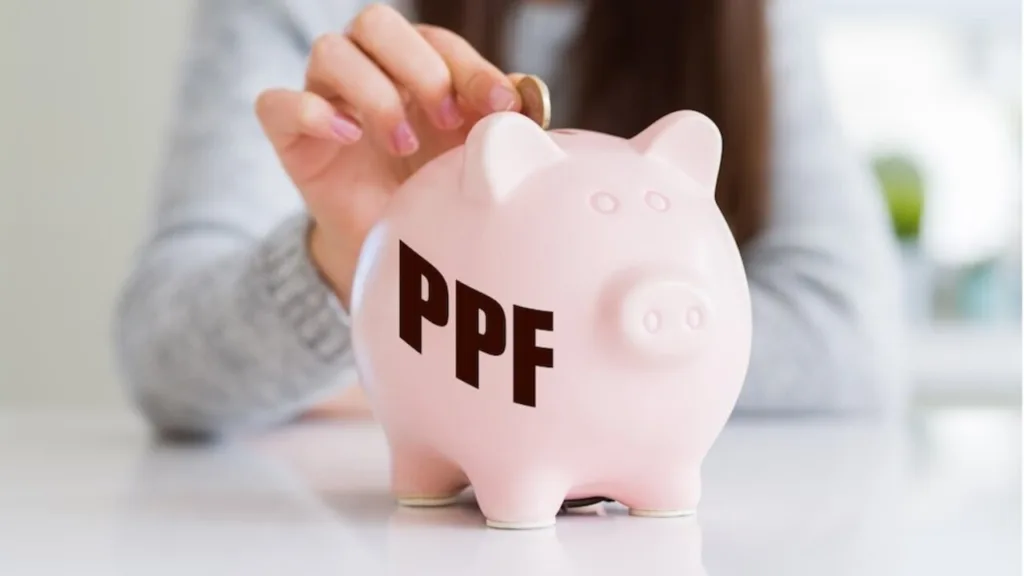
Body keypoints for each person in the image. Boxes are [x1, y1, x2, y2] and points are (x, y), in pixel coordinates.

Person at [113, 0, 906, 437]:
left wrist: (413, 362)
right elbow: (164, 360)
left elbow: (849, 343)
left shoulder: (750, 18)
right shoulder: (302, 12)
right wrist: (356, 258)